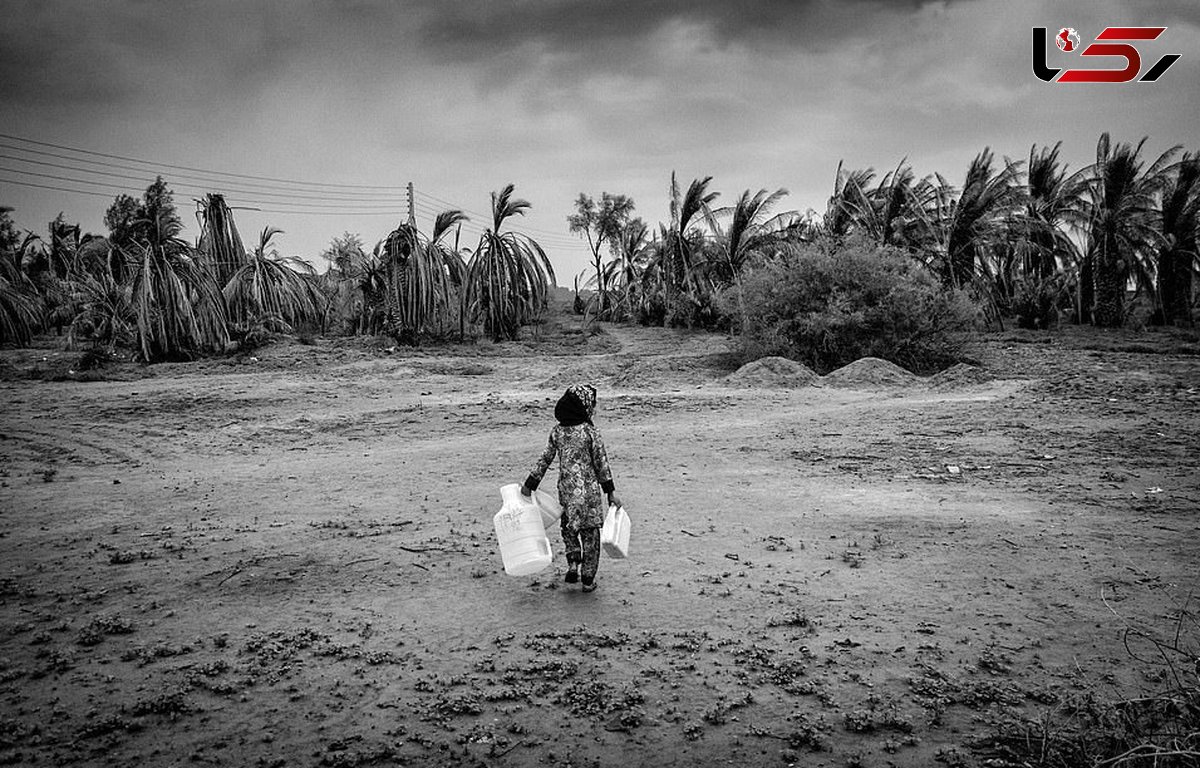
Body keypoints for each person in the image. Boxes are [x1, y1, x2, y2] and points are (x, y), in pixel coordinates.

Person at [521, 383, 621, 593]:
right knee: (590, 535)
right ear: (584, 407)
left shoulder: (557, 432)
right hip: (589, 495)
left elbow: (545, 458)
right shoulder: (589, 432)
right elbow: (601, 463)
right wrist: (610, 492)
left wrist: (530, 483)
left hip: (566, 492)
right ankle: (587, 579)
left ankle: (573, 564)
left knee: (569, 528)